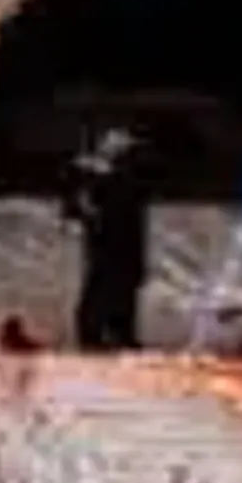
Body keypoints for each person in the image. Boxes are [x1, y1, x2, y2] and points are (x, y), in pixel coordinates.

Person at [61, 124, 149, 352]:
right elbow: (74, 207)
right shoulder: (91, 173)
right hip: (106, 244)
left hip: (125, 244)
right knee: (101, 288)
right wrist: (84, 203)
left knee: (123, 289)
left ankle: (119, 334)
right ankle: (97, 337)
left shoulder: (127, 176)